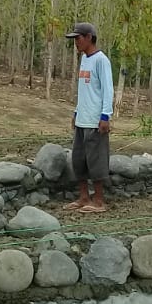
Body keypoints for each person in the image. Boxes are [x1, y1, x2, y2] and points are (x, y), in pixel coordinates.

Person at [62, 22, 114, 213]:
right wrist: (76, 112)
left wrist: (105, 116)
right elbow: (84, 91)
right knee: (79, 160)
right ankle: (84, 197)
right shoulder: (84, 59)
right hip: (82, 119)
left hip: (95, 120)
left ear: (89, 37)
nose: (76, 42)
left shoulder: (101, 60)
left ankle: (99, 200)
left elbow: (108, 90)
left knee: (96, 161)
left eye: (78, 38)